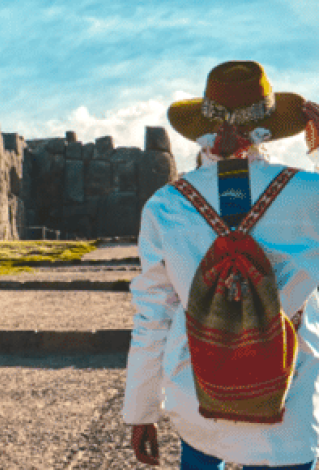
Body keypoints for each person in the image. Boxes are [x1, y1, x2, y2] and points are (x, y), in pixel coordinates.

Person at [123, 60, 319, 469]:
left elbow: (153, 318)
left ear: (205, 130)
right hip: (289, 395)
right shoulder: (310, 195)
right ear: (270, 126)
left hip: (199, 392)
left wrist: (141, 411)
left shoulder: (167, 205)